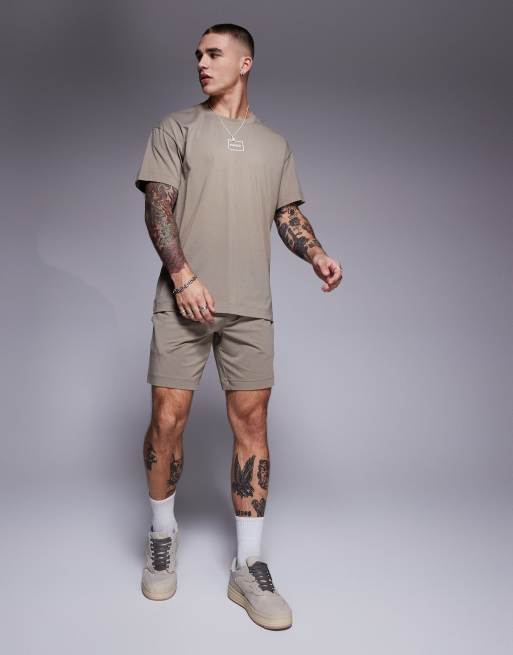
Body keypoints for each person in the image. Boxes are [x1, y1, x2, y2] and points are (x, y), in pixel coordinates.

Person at [134, 23, 342, 630]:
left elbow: (288, 213)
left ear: (245, 63)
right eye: (197, 55)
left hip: (251, 306)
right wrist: (183, 277)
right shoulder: (175, 128)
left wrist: (316, 253)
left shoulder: (275, 145)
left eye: (214, 53)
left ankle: (247, 566)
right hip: (184, 299)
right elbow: (157, 205)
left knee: (252, 426)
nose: (201, 62)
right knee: (167, 420)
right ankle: (162, 535)